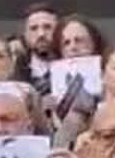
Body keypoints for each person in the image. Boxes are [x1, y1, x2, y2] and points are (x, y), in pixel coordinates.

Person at [42, 13, 108, 145]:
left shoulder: (112, 78)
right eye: (66, 43)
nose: (73, 47)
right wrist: (46, 115)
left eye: (79, 41)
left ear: (94, 43)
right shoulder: (46, 86)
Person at [19, 2, 59, 95]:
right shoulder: (14, 74)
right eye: (34, 28)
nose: (41, 34)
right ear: (25, 35)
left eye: (47, 27)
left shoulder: (74, 68)